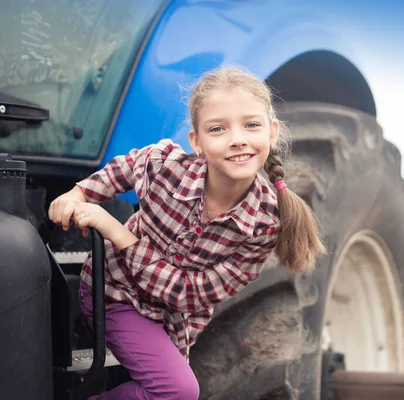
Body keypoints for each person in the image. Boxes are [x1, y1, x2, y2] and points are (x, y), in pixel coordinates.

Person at [48, 66, 326, 400]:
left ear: (272, 132)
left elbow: (188, 294)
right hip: (115, 292)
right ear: (196, 141)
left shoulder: (264, 224)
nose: (237, 138)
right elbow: (121, 171)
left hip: (173, 321)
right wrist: (76, 194)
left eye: (251, 125)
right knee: (177, 392)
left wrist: (115, 231)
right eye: (218, 129)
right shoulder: (166, 165)